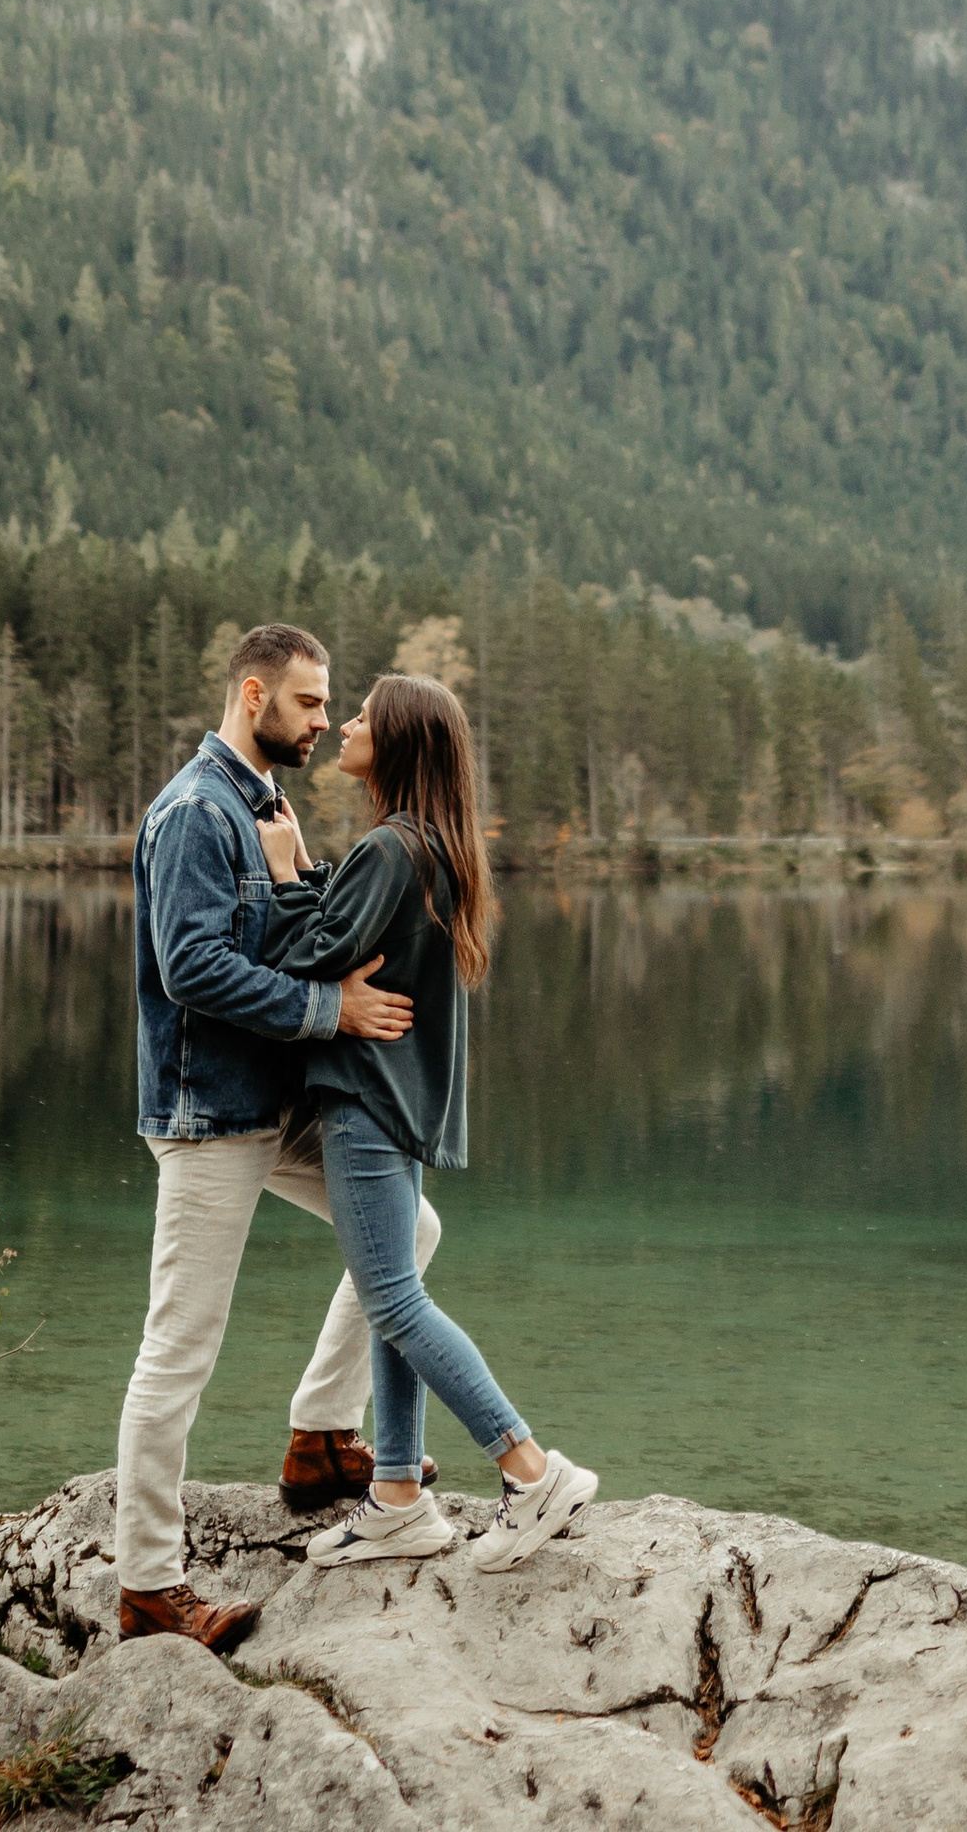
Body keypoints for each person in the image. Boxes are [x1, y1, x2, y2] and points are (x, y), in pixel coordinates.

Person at [116, 621, 443, 1651]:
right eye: (308, 702)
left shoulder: (260, 805)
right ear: (251, 693)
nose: (320, 718)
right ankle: (147, 1583)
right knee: (178, 1349)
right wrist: (329, 1011)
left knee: (411, 1230)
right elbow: (191, 968)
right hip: (209, 1113)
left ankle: (316, 1437)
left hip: (273, 1104)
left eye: (327, 703)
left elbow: (288, 929)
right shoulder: (190, 813)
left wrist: (300, 872)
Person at [252, 670, 596, 1572]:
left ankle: (532, 1472)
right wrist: (317, 883)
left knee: (394, 1299)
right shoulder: (427, 848)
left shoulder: (393, 848)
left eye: (363, 715)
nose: (348, 725)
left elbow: (308, 954)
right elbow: (350, 931)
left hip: (364, 1099)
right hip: (400, 1101)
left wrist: (286, 875)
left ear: (397, 742)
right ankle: (398, 1497)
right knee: (389, 1289)